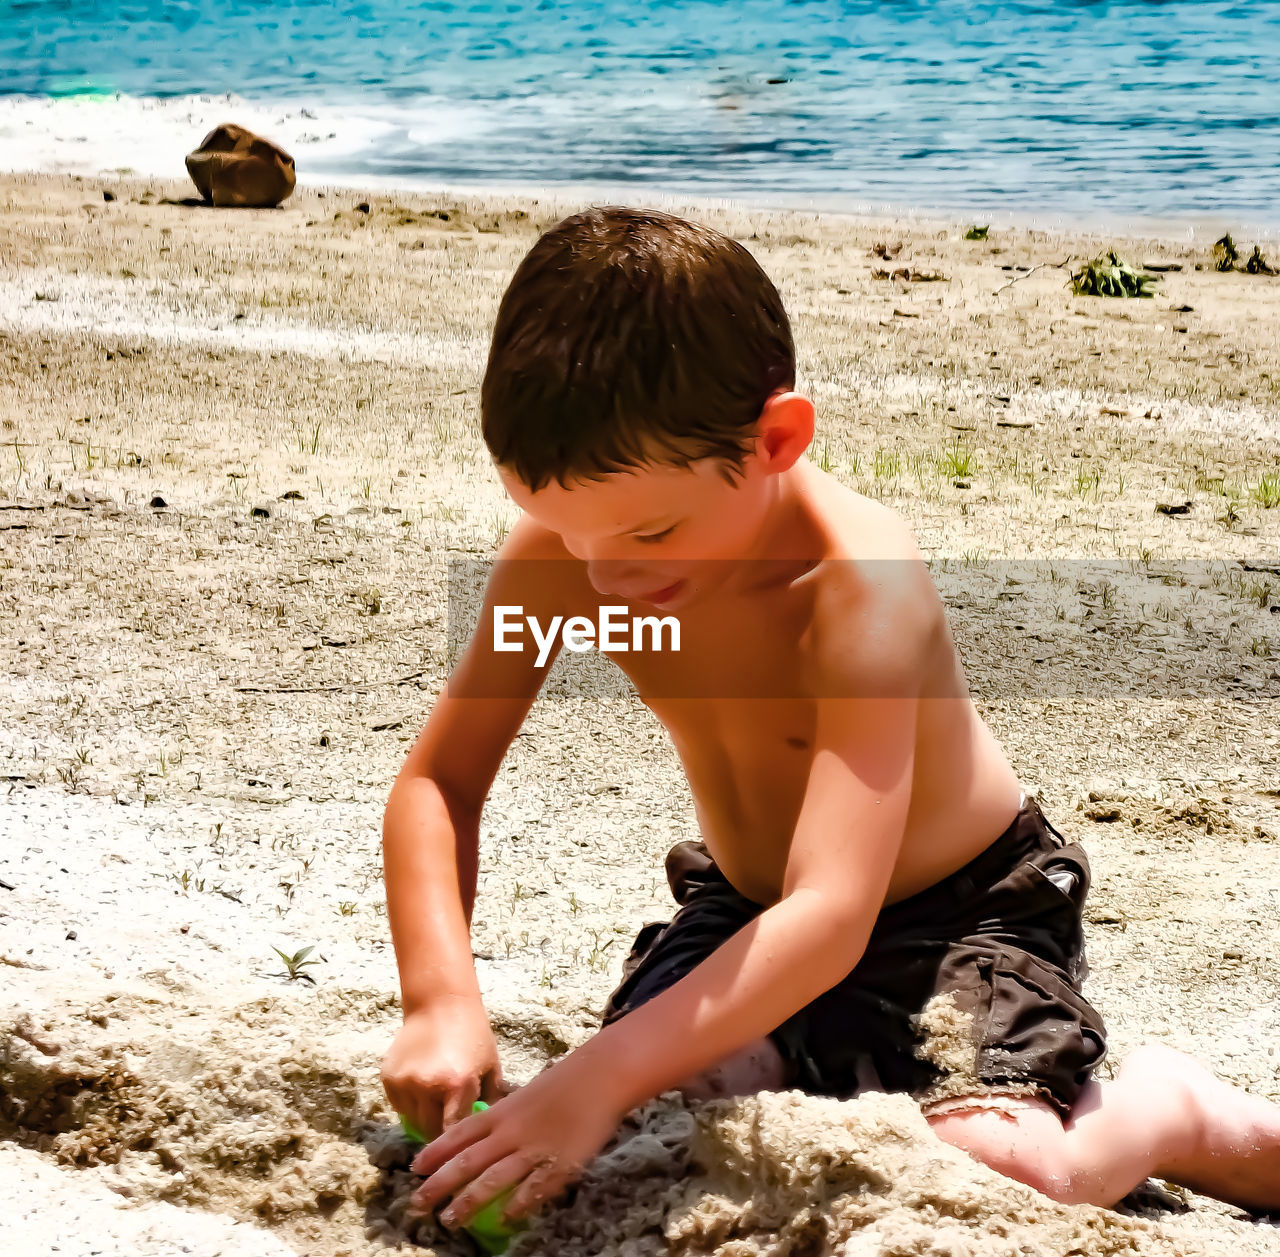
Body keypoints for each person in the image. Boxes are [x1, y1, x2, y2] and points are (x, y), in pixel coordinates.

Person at [382, 206, 1280, 1234]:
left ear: (775, 440)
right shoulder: (569, 553)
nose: (602, 577)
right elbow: (439, 785)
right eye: (567, 531)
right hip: (751, 909)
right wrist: (439, 1000)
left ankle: (1167, 1113)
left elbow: (830, 915)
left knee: (999, 1170)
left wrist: (587, 1082)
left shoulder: (856, 589)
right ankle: (827, 1064)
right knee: (688, 1115)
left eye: (646, 533)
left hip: (958, 912)